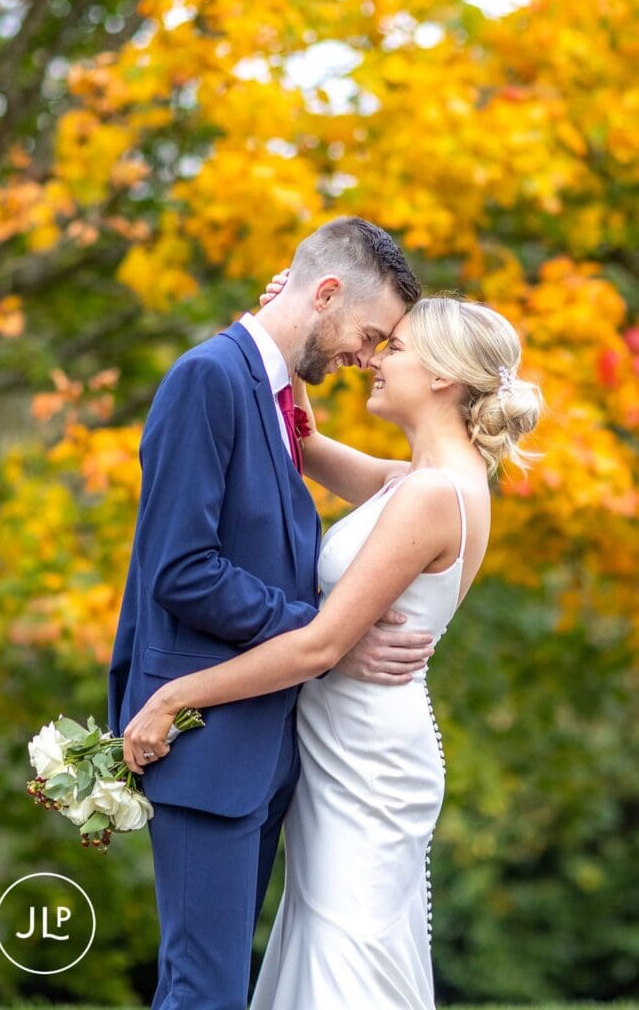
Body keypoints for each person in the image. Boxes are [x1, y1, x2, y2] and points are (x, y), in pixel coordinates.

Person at [123, 292, 543, 1009]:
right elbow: (302, 439)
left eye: (394, 349)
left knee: (343, 963)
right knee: (323, 948)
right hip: (343, 745)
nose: (374, 360)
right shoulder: (414, 481)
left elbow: (318, 646)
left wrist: (173, 696)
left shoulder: (430, 496)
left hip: (364, 760)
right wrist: (293, 318)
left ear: (442, 376)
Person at [108, 217, 432, 1010]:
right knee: (205, 993)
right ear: (325, 294)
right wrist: (324, 638)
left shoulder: (276, 395)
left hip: (260, 745)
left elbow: (405, 484)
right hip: (204, 742)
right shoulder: (208, 378)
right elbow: (182, 571)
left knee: (210, 990)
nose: (366, 357)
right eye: (368, 335)